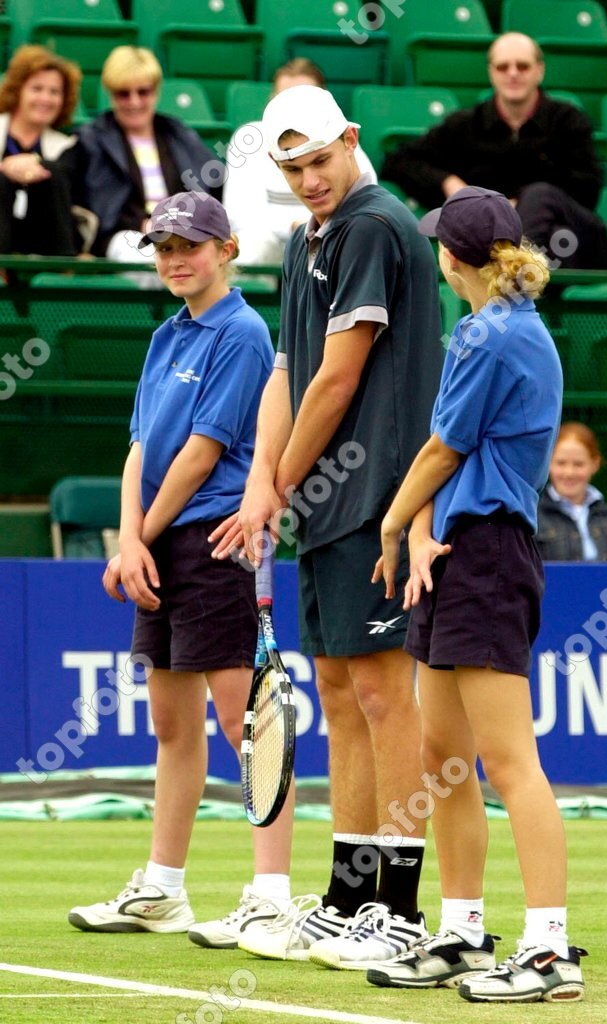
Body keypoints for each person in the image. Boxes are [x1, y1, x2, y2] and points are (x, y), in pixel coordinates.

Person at [210, 85, 443, 969]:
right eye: (292, 167)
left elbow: (338, 382)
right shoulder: (309, 241)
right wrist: (263, 484)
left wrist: (278, 484)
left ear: (349, 141)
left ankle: (402, 906)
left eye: (319, 160)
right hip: (324, 507)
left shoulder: (373, 226)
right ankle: (350, 896)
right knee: (344, 698)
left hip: (380, 499)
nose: (309, 179)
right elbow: (285, 375)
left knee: (384, 697)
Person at [370, 186, 587, 1002]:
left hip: (489, 555)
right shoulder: (483, 328)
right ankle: (460, 932)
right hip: (457, 554)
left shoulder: (493, 335)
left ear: (450, 258)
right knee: (443, 757)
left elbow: (438, 449)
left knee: (507, 761)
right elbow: (447, 452)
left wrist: (393, 525)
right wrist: (423, 532)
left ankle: (547, 950)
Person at [67, 191, 294, 944]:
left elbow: (201, 455)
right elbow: (140, 448)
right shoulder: (168, 332)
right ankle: (163, 889)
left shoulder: (242, 332)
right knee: (171, 724)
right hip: (160, 544)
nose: (172, 260)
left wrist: (142, 536)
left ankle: (272, 894)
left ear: (225, 248)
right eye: (162, 249)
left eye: (187, 247)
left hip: (215, 543)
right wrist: (129, 538)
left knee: (247, 722)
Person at [382, 32, 607, 270]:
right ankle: (514, 278)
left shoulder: (568, 121)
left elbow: (588, 191)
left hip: (572, 234)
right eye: (503, 67)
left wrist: (522, 206)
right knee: (544, 247)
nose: (513, 73)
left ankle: (509, 277)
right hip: (518, 246)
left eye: (522, 66)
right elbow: (398, 161)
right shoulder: (466, 125)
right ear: (491, 72)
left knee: (540, 197)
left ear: (539, 71)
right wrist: (448, 182)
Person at [223, 58, 377, 266]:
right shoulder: (247, 139)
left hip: (330, 246)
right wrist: (295, 227)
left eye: (321, 161)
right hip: (265, 255)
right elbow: (240, 215)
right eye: (283, 98)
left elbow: (366, 204)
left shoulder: (339, 139)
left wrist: (315, 228)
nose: (310, 182)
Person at [78, 47, 222, 261]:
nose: (134, 102)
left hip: (182, 230)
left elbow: (210, 188)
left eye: (143, 92)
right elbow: (102, 205)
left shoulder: (178, 134)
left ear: (156, 92)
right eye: (123, 94)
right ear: (111, 95)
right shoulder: (92, 140)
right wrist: (142, 223)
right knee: (149, 257)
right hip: (125, 236)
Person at [0, 45, 90, 256]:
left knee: (53, 172)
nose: (45, 99)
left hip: (44, 241)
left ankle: (63, 269)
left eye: (54, 92)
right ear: (18, 90)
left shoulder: (67, 146)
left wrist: (32, 166)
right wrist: (6, 169)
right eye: (37, 89)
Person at [536, 421, 607, 560]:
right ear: (548, 463)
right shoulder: (533, 519)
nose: (569, 473)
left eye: (578, 464)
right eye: (561, 463)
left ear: (595, 464)